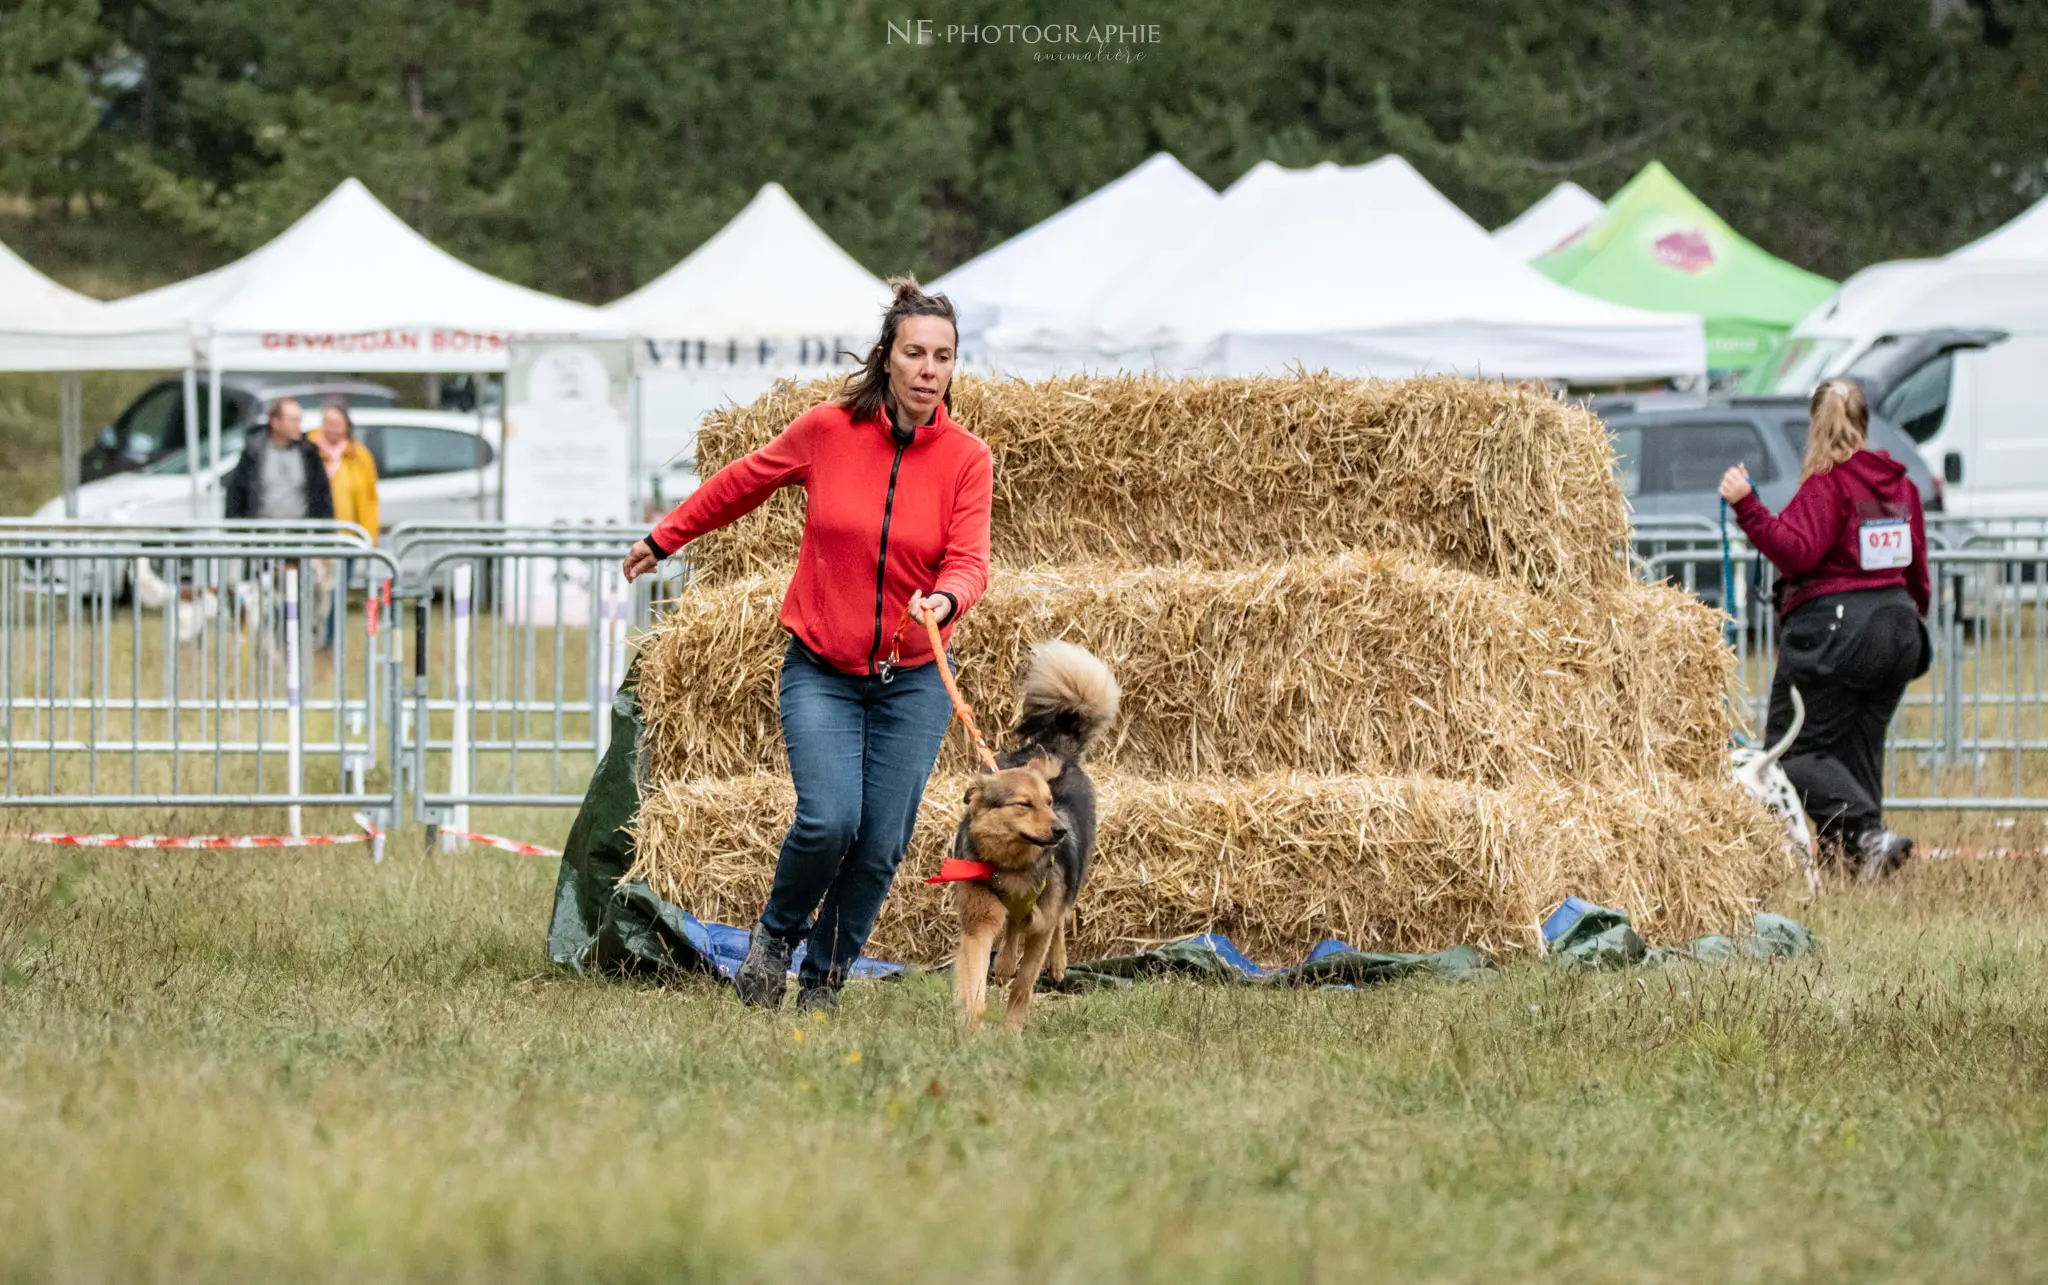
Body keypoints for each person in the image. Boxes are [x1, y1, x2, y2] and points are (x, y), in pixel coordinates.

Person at [622, 277, 993, 1013]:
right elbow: (742, 483)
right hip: (822, 666)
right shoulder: (827, 430)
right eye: (915, 352)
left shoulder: (966, 458)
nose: (928, 369)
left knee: (883, 840)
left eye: (943, 357)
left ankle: (823, 975)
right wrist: (664, 537)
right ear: (887, 357)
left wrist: (946, 597)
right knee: (830, 819)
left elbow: (970, 559)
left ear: (954, 366)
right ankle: (773, 938)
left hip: (912, 676)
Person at [1719, 379, 1930, 883]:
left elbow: (1798, 551)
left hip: (1833, 634)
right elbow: (1917, 569)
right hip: (1899, 627)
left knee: (1790, 751)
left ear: (1816, 424)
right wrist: (1907, 616)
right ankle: (1859, 862)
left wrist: (1746, 504)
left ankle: (1865, 835)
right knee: (1858, 746)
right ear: (1864, 422)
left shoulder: (1829, 483)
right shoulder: (1901, 486)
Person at [224, 398, 335, 522]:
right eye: (293, 420)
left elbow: (322, 495)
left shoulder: (309, 454)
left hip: (301, 535)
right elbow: (236, 494)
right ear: (275, 422)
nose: (298, 425)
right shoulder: (254, 452)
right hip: (261, 535)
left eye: (299, 420)